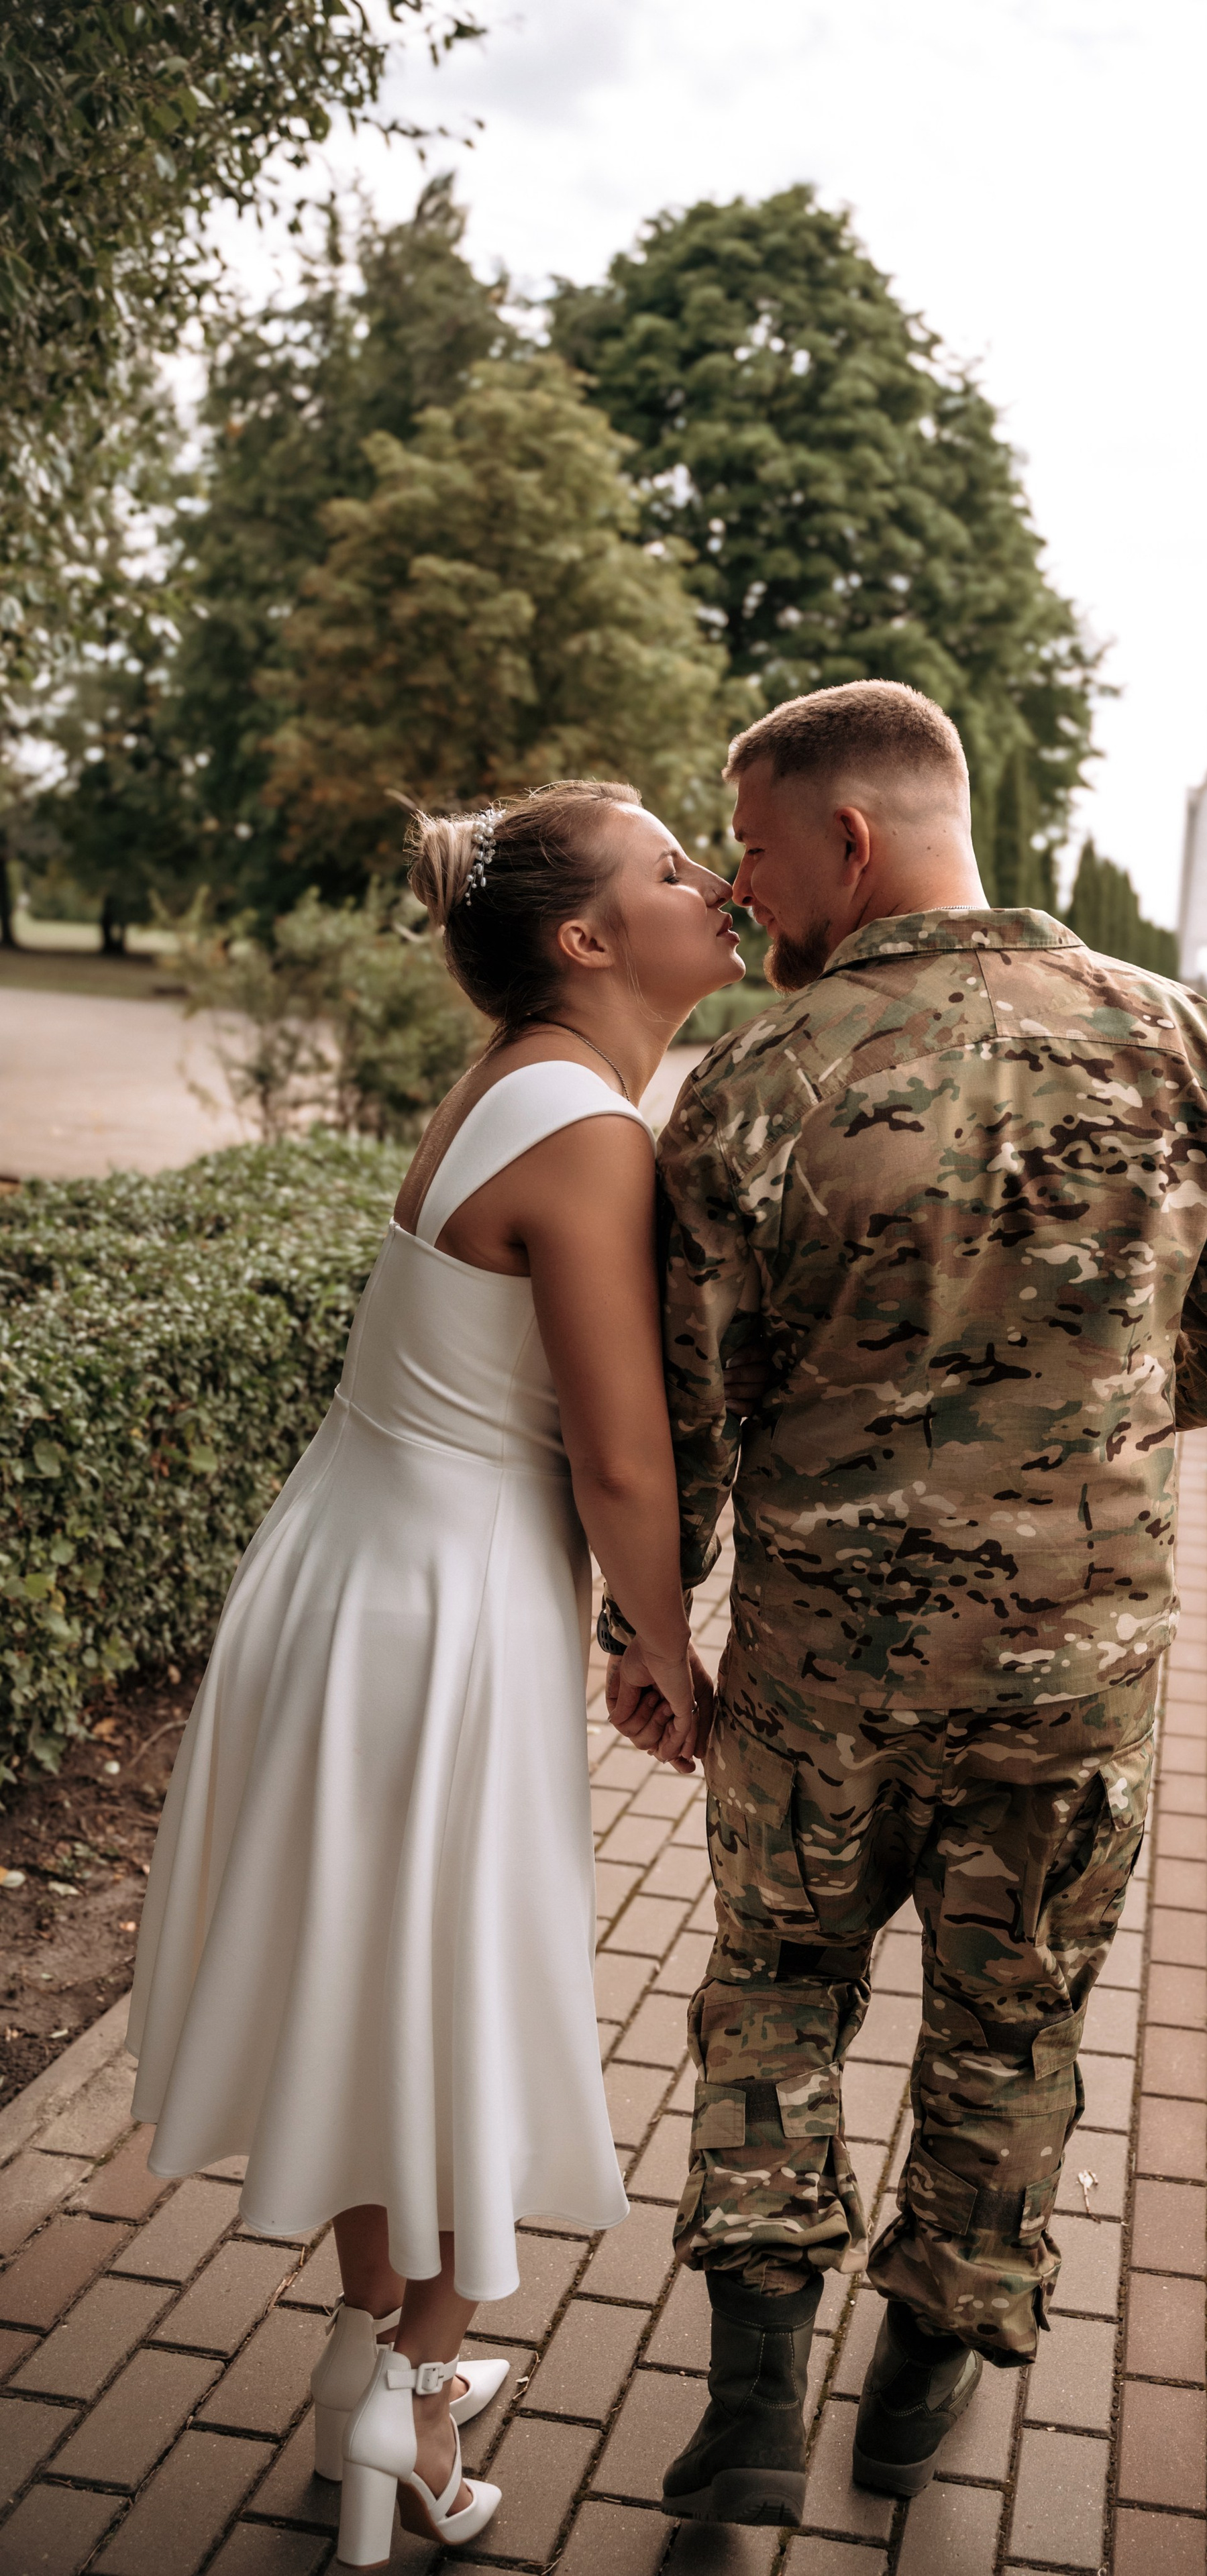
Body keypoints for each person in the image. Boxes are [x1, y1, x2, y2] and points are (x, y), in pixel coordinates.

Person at [602, 681, 1207, 2528]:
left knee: (776, 1991)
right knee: (1012, 2025)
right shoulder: (1187, 1044)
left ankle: (753, 2404)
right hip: (1076, 1668)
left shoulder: (761, 1078)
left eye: (755, 853)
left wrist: (650, 1636)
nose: (748, 897)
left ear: (850, 841)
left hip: (815, 1672)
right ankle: (922, 2388)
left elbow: (684, 1402)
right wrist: (1067, 1429)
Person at [126, 780, 742, 2568]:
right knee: (462, 1991)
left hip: (354, 1567)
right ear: (586, 938)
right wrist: (666, 1649)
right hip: (442, 1604)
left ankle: (378, 2369)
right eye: (671, 867)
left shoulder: (514, 1082)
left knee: (401, 1985)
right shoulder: (589, 1128)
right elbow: (622, 1467)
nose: (712, 883)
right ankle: (419, 2380)